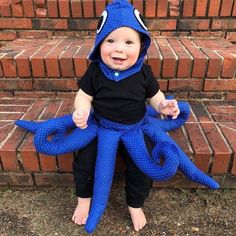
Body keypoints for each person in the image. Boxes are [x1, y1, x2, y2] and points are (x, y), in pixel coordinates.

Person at [71, 0, 180, 232]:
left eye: (129, 42)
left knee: (143, 165)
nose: (119, 49)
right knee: (85, 161)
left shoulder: (143, 72)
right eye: (110, 41)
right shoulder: (95, 71)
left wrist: (163, 106)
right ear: (100, 44)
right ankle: (84, 200)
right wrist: (81, 110)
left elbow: (155, 97)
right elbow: (83, 96)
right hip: (101, 128)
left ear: (141, 46)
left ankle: (135, 204)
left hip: (134, 130)